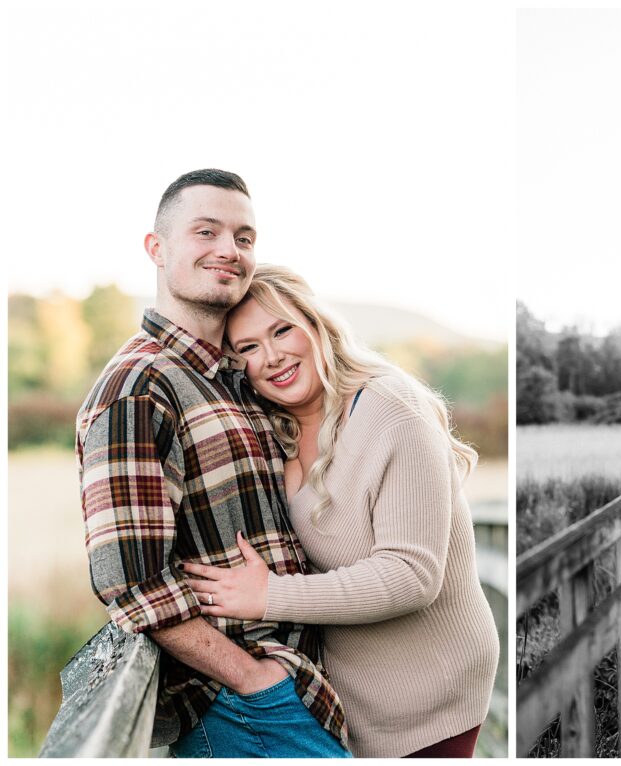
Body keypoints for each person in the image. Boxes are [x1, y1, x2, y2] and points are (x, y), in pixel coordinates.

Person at [76, 169, 352, 757]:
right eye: (206, 232)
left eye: (244, 238)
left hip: (296, 682)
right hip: (238, 702)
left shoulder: (227, 378)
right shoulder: (140, 386)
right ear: (157, 248)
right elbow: (128, 577)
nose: (229, 250)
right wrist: (252, 680)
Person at [181, 265, 501, 758]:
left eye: (282, 329)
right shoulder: (276, 433)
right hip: (352, 699)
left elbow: (412, 575)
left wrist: (269, 596)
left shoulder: (391, 409)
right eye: (247, 348)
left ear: (316, 324)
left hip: (430, 694)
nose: (272, 357)